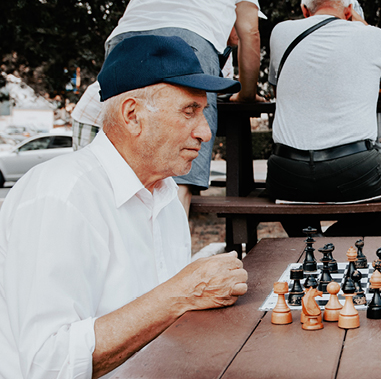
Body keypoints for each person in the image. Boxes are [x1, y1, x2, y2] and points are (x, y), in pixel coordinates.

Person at [0, 35, 249, 379]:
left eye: (203, 112)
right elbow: (48, 364)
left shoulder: (165, 196)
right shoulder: (61, 196)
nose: (206, 133)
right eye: (189, 110)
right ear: (132, 115)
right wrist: (180, 294)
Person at [71, 0, 264, 215]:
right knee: (181, 166)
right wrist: (247, 95)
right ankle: (171, 258)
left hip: (124, 41)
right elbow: (249, 32)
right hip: (188, 42)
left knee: (122, 165)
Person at [265, 0, 381, 236]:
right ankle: (331, 243)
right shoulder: (371, 35)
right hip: (354, 168)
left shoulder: (280, 32)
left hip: (286, 172)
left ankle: (307, 239)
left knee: (284, 191)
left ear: (303, 10)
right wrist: (364, 25)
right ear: (348, 10)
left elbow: (279, 86)